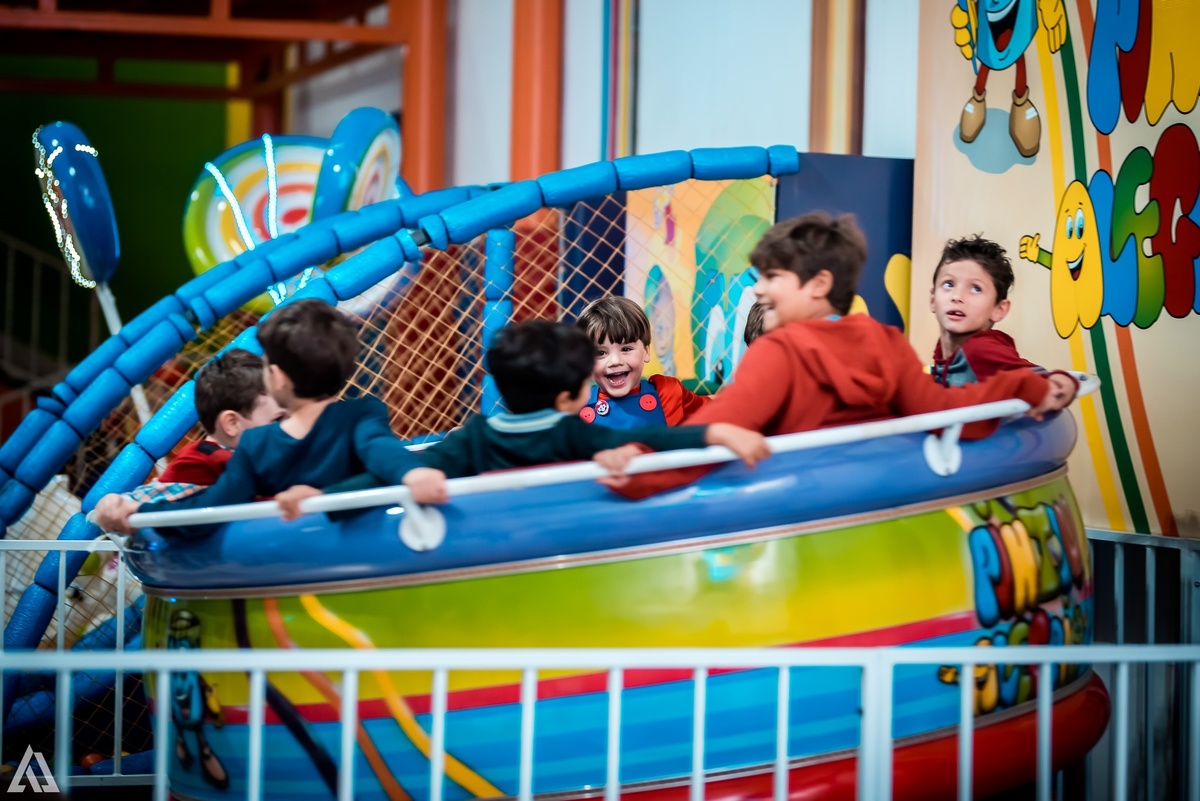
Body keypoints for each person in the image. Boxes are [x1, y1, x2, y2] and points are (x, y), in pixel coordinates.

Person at [612, 212, 1077, 499]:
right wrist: (1025, 386)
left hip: (796, 521)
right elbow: (947, 413)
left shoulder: (778, 352)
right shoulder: (884, 341)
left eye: (773, 277)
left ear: (818, 286)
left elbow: (709, 438)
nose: (758, 288)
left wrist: (636, 470)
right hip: (877, 518)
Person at [276, 320, 769, 517]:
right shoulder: (571, 432)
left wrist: (324, 498)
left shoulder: (476, 436)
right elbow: (658, 439)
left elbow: (389, 475)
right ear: (569, 395)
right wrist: (717, 431)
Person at [102, 299, 428, 536]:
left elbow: (211, 508)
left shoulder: (259, 444)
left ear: (279, 378)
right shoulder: (362, 415)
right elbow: (383, 451)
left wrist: (140, 514)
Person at [90, 348, 284, 531]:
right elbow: (150, 501)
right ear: (232, 423)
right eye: (279, 419)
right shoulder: (202, 460)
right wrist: (113, 506)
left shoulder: (273, 458)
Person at [929, 235, 1078, 401]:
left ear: (999, 309)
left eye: (976, 289)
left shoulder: (980, 349)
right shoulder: (943, 351)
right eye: (949, 284)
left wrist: (1055, 383)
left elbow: (1030, 376)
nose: (957, 296)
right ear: (933, 299)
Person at [575, 296, 709, 427]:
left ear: (646, 351)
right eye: (601, 353)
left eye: (626, 349)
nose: (615, 361)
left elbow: (715, 411)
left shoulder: (668, 392)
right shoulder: (576, 407)